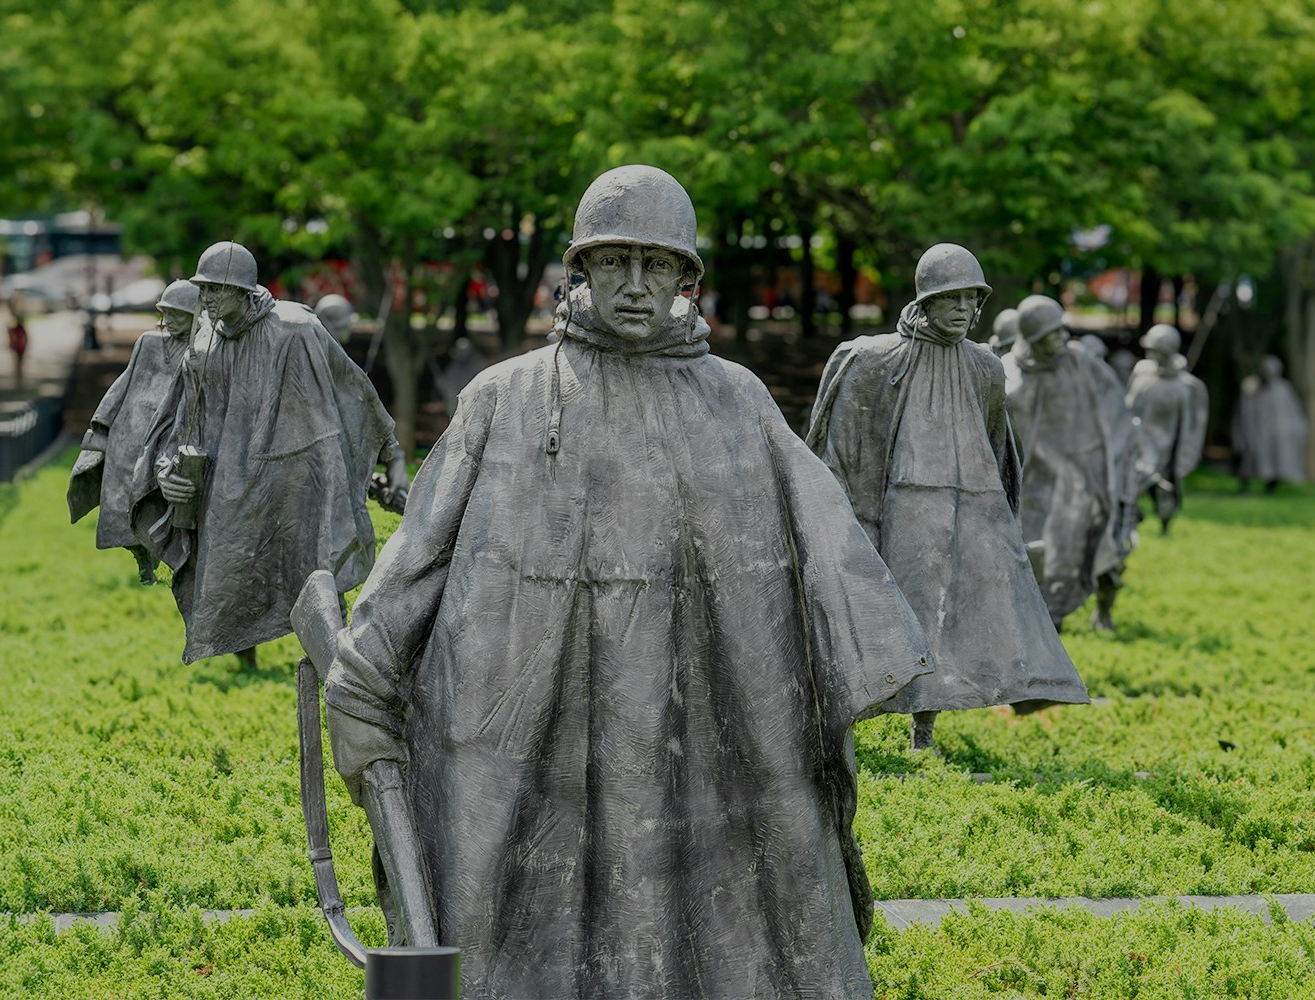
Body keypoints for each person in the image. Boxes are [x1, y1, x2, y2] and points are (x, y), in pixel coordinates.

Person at [319, 165, 930, 998]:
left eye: (657, 265)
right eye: (614, 263)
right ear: (582, 270)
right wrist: (361, 683)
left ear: (687, 279)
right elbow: (417, 558)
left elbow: (830, 558)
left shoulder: (736, 402)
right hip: (537, 727)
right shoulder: (508, 398)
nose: (635, 287)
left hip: (708, 733)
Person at [807, 244, 1086, 751]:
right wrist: (849, 519)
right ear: (926, 302)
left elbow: (1000, 447)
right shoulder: (878, 359)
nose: (960, 309)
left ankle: (926, 727)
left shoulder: (985, 368)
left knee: (959, 621)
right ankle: (843, 716)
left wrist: (1003, 520)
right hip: (907, 505)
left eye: (969, 299)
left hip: (973, 507)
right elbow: (847, 444)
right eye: (949, 298)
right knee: (893, 615)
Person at [132, 242, 408, 664]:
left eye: (217, 289)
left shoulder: (296, 327)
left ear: (244, 290)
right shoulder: (204, 343)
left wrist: (394, 457)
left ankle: (341, 666)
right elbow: (183, 418)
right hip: (232, 482)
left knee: (315, 570)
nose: (206, 299)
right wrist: (168, 467)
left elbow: (352, 387)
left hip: (303, 473)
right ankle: (246, 662)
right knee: (229, 570)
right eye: (203, 289)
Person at [1002, 295, 1142, 632]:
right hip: (1035, 481)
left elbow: (1115, 410)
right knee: (1037, 552)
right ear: (1034, 338)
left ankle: (1090, 611)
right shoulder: (1010, 372)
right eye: (1053, 333)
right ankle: (1046, 617)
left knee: (1095, 546)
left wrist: (1116, 462)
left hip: (1084, 474)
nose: (1063, 338)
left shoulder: (1080, 361)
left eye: (1062, 329)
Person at [68, 280, 201, 583]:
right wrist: (101, 426)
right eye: (167, 313)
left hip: (166, 430)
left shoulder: (201, 351)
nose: (171, 320)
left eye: (179, 314)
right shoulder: (147, 343)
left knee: (155, 495)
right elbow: (124, 383)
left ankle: (161, 553)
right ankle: (139, 554)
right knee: (120, 498)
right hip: (130, 427)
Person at [1125, 324, 1208, 534]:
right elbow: (1128, 408)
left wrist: (1185, 452)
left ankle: (1165, 523)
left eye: (1156, 350)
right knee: (1131, 482)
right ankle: (1130, 518)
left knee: (1166, 489)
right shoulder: (1141, 376)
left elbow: (1194, 422)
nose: (1150, 354)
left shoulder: (1186, 385)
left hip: (1168, 445)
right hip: (1141, 441)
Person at [1232, 355, 1306, 492]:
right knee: (1249, 461)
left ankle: (1270, 489)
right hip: (1256, 433)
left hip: (1275, 435)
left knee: (1275, 461)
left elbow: (1292, 413)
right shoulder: (1252, 387)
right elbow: (1244, 411)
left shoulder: (1283, 389)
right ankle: (1244, 487)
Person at [6, 312, 29, 388]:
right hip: (20, 348)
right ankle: (19, 378)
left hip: (19, 348)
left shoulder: (18, 329)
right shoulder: (19, 329)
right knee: (19, 364)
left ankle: (19, 378)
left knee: (18, 364)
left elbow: (12, 337)